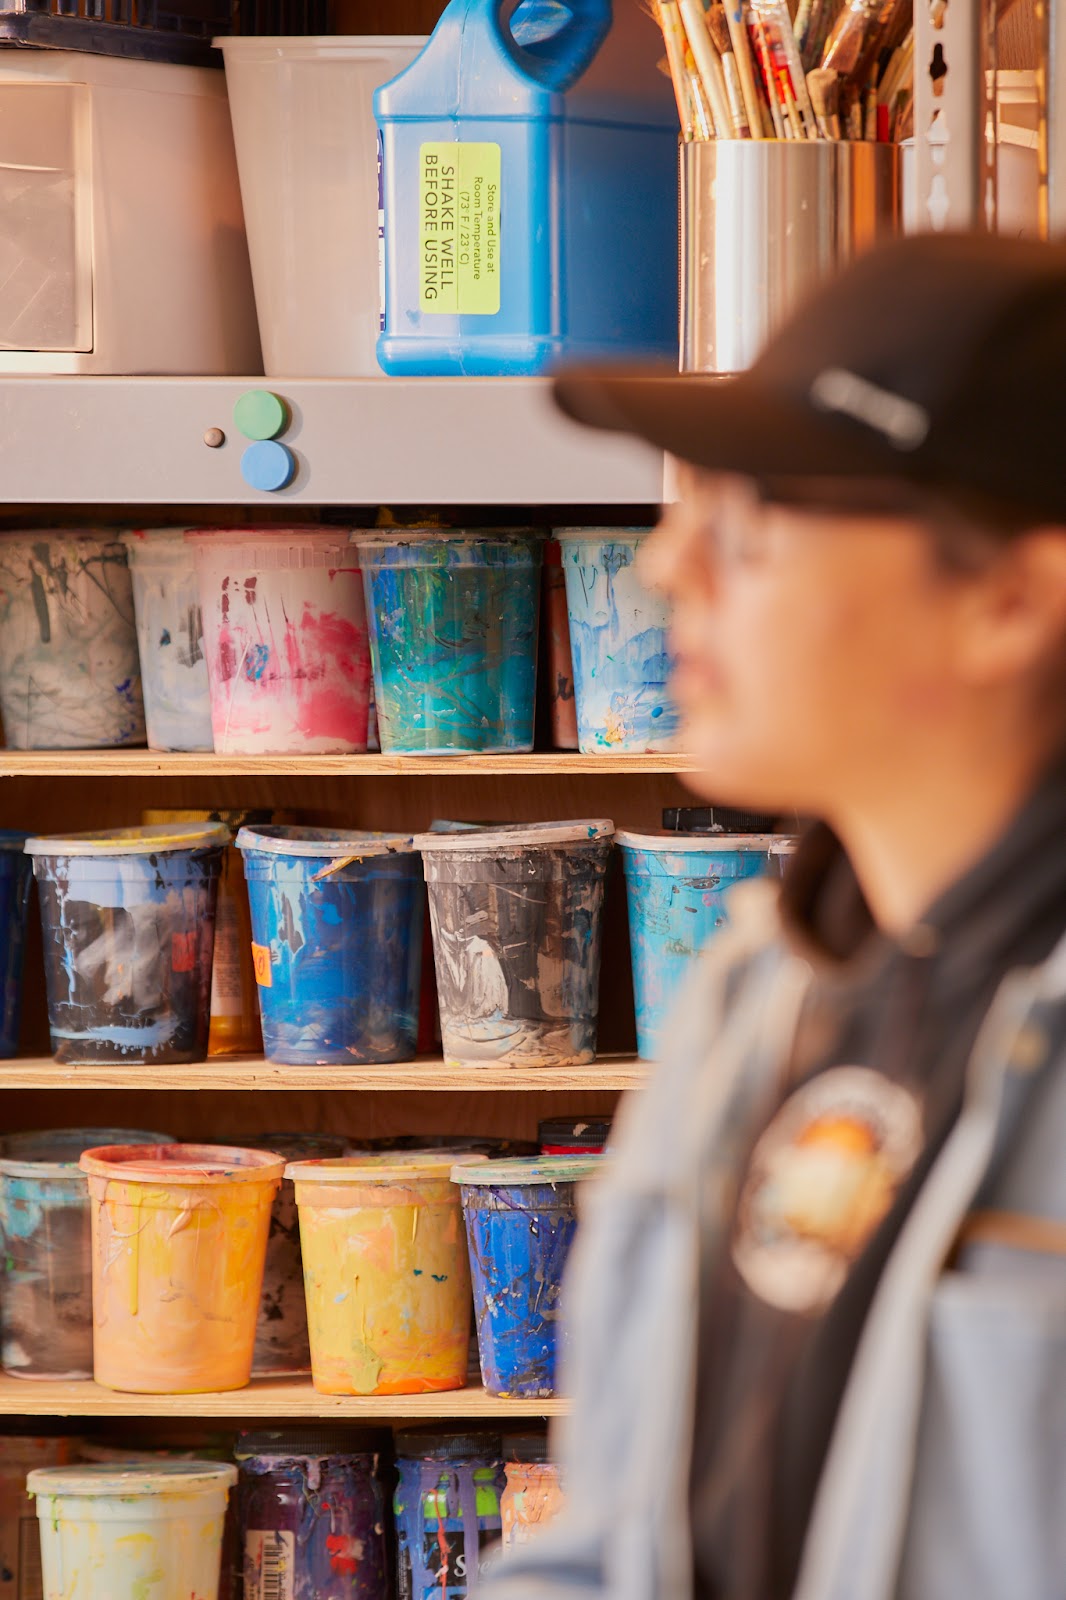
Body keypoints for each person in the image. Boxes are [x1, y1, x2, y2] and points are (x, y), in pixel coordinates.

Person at [484, 233, 1066, 1600]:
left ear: (1008, 599)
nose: (663, 571)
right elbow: (610, 1543)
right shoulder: (761, 988)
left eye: (751, 525)